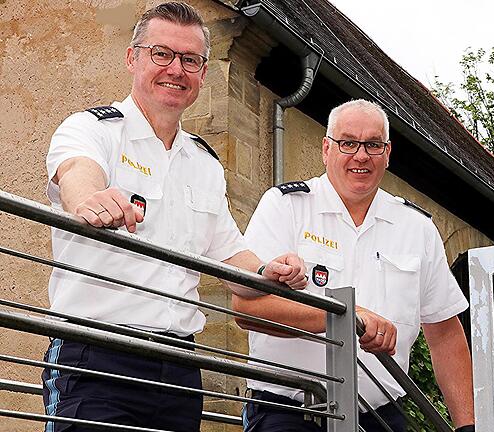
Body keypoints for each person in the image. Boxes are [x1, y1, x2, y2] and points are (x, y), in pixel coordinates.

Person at [42, 3, 306, 431]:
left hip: (180, 367)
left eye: (190, 60)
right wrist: (90, 199)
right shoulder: (91, 128)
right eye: (161, 54)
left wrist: (266, 270)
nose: (176, 69)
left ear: (203, 73)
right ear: (133, 58)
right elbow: (76, 173)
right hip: (97, 353)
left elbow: (227, 254)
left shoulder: (205, 163)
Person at [233, 99, 475, 432]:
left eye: (373, 145)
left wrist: (467, 427)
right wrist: (348, 317)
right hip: (291, 416)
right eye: (348, 143)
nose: (361, 156)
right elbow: (246, 309)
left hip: (382, 419)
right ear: (326, 149)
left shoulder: (416, 228)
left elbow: (445, 333)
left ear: (387, 153)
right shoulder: (285, 207)